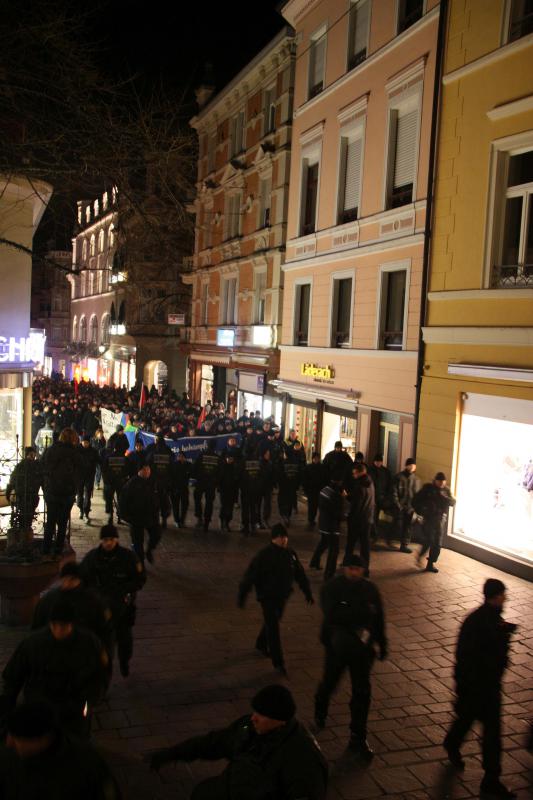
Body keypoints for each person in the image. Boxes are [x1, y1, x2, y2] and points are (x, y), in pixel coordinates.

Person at [148, 684, 328, 800]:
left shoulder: (302, 758)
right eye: (255, 711)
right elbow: (213, 743)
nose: (254, 718)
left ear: (281, 720)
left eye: (262, 714)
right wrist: (171, 754)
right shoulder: (249, 728)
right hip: (231, 788)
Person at [443, 579, 518, 799]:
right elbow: (471, 656)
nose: (506, 598)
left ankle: (490, 777)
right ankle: (488, 777)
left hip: (486, 685)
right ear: (494, 597)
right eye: (503, 594)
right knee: (477, 724)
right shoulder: (480, 623)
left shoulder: (489, 619)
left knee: (486, 729)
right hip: (479, 686)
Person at [1, 596, 108, 736]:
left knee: (75, 742)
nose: (58, 630)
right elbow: (13, 676)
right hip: (39, 706)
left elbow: (100, 674)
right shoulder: (33, 643)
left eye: (63, 626)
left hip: (73, 708)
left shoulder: (89, 643)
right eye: (54, 625)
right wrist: (6, 707)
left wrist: (90, 698)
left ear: (72, 624)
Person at [314, 555, 387, 760]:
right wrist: (362, 614)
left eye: (358, 568)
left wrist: (382, 642)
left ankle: (358, 736)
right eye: (351, 568)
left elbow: (379, 617)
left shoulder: (370, 589)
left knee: (362, 693)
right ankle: (321, 704)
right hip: (338, 647)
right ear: (344, 568)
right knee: (330, 682)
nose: (354, 572)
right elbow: (333, 615)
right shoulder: (332, 588)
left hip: (362, 651)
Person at [0, 701, 122, 800]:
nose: (9, 743)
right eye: (10, 735)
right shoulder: (8, 757)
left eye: (17, 739)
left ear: (42, 739)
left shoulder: (86, 764)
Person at [238, 524, 314, 676]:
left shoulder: (290, 553)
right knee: (273, 628)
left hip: (282, 596)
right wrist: (242, 595)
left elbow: (299, 573)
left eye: (286, 537)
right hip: (267, 597)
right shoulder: (264, 555)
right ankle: (278, 662)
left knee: (273, 621)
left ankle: (260, 643)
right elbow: (250, 576)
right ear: (275, 538)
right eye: (282, 537)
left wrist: (307, 592)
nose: (285, 540)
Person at [80, 524, 146, 678]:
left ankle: (124, 662)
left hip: (122, 608)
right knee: (103, 646)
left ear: (116, 539)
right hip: (100, 610)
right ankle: (105, 677)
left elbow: (140, 579)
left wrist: (124, 589)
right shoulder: (93, 558)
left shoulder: (128, 557)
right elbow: (82, 578)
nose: (108, 543)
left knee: (125, 642)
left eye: (111, 539)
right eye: (105, 540)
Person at [32, 562, 110, 655]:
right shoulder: (47, 600)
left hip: (83, 653)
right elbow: (37, 627)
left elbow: (105, 631)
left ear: (79, 580)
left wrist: (105, 654)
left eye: (72, 579)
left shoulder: (93, 601)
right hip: (53, 652)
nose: (67, 583)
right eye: (64, 579)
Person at [41, 428, 82, 556]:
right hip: (67, 493)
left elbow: (42, 467)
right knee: (63, 522)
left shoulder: (51, 450)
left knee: (50, 521)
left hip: (51, 491)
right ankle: (58, 550)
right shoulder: (75, 453)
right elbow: (81, 470)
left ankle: (46, 550)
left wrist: (45, 485)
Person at [412, 471, 456, 573]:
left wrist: (445, 498)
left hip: (440, 520)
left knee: (437, 544)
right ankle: (420, 556)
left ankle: (430, 563)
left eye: (443, 482)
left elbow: (453, 502)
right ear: (435, 481)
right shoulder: (428, 488)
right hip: (429, 519)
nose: (441, 484)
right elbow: (416, 500)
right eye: (439, 481)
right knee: (429, 540)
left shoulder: (446, 490)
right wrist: (421, 511)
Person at [119, 465, 161, 564]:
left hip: (152, 517)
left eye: (149, 469)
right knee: (138, 542)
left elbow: (161, 496)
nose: (147, 472)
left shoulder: (153, 482)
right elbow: (123, 500)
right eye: (145, 470)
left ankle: (149, 550)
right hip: (136, 518)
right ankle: (140, 563)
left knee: (156, 535)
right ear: (139, 471)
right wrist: (125, 516)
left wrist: (164, 508)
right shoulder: (132, 483)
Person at [309, 474, 345, 580]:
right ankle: (329, 574)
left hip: (323, 523)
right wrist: (343, 498)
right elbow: (339, 512)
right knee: (334, 550)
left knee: (323, 543)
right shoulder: (336, 494)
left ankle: (314, 562)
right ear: (339, 482)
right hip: (332, 526)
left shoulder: (324, 490)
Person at [344, 462, 375, 575]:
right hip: (367, 519)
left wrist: (347, 497)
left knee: (350, 543)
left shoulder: (360, 485)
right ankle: (365, 568)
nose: (353, 475)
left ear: (360, 472)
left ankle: (347, 564)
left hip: (357, 520)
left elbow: (356, 503)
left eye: (354, 473)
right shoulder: (370, 482)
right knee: (365, 545)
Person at [5, 446, 42, 531]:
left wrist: (8, 494)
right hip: (27, 496)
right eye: (32, 454)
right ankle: (25, 534)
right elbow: (13, 480)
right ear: (29, 455)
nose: (33, 456)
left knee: (24, 516)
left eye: (34, 454)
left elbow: (12, 480)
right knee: (26, 517)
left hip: (25, 496)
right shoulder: (34, 466)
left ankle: (23, 534)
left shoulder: (21, 466)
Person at [391, 457, 421, 553]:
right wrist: (397, 504)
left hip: (410, 507)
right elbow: (394, 491)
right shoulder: (399, 477)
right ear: (406, 466)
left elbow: (417, 494)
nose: (412, 467)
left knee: (408, 526)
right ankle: (390, 538)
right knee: (397, 524)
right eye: (410, 465)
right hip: (400, 506)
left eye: (413, 465)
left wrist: (416, 507)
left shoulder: (416, 479)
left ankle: (404, 545)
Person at [192, 441, 220, 531]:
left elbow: (195, 467)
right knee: (209, 502)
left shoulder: (201, 455)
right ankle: (207, 521)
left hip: (201, 482)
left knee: (197, 499)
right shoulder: (217, 457)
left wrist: (197, 477)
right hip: (211, 483)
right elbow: (220, 472)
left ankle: (199, 517)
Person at [367, 453, 392, 545]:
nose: (378, 463)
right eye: (377, 461)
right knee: (373, 517)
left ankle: (377, 535)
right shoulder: (370, 470)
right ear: (374, 462)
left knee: (377, 517)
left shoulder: (386, 471)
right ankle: (374, 535)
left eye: (380, 461)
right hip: (373, 498)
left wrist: (387, 497)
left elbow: (389, 485)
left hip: (382, 497)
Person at [76, 435, 100, 524]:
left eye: (87, 442)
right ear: (81, 442)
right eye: (84, 442)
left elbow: (98, 461)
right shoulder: (77, 450)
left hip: (89, 476)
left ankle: (86, 512)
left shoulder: (93, 451)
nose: (85, 444)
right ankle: (80, 509)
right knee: (79, 494)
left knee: (88, 494)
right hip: (79, 476)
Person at [303, 452, 328, 530]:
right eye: (315, 458)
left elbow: (325, 479)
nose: (316, 459)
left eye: (317, 458)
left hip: (320, 490)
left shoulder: (322, 467)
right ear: (312, 459)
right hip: (311, 490)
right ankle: (311, 520)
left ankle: (321, 520)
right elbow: (305, 480)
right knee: (312, 506)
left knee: (321, 506)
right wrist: (306, 490)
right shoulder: (308, 467)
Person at [170, 450, 191, 528]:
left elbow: (192, 473)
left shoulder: (188, 465)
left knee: (184, 505)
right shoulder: (174, 465)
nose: (180, 458)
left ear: (185, 458)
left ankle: (182, 520)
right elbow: (171, 476)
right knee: (175, 506)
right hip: (175, 489)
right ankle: (176, 521)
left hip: (184, 488)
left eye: (182, 457)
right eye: (179, 457)